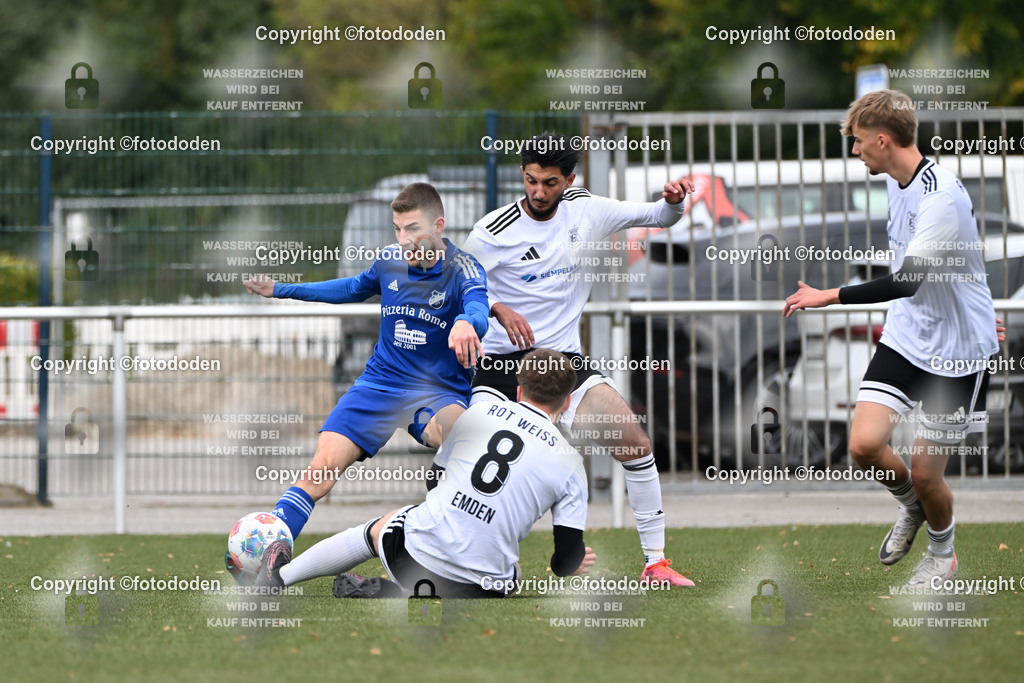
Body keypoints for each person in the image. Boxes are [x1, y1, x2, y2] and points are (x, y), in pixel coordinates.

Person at [783, 89, 999, 589]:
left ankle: (942, 554)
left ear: (883, 139)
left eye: (858, 142)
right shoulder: (897, 181)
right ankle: (911, 508)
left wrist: (828, 295)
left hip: (958, 351)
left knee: (928, 475)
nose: (855, 151)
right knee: (862, 445)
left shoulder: (940, 195)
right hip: (907, 334)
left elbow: (907, 280)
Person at [461, 131, 696, 587]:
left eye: (550, 183)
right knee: (481, 468)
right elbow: (456, 286)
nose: (538, 192)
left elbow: (658, 216)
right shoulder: (492, 230)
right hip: (503, 365)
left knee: (635, 444)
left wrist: (673, 201)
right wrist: (496, 307)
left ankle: (656, 564)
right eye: (530, 180)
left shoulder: (589, 209)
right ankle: (469, 561)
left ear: (570, 179)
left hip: (563, 363)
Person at [235, 182, 489, 564]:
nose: (404, 240)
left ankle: (462, 546)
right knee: (320, 469)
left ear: (439, 225)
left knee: (460, 435)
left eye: (413, 229)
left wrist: (468, 323)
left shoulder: (463, 268)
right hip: (380, 384)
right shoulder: (389, 260)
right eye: (397, 229)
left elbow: (478, 309)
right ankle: (270, 552)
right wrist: (282, 289)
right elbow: (352, 288)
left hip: (436, 391)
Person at [255, 348, 596, 597]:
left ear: (520, 390)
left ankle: (280, 578)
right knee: (511, 572)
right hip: (486, 588)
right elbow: (565, 561)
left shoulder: (481, 413)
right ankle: (410, 593)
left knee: (379, 528)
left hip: (411, 557)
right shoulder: (571, 464)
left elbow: (435, 479)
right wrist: (573, 560)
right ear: (566, 402)